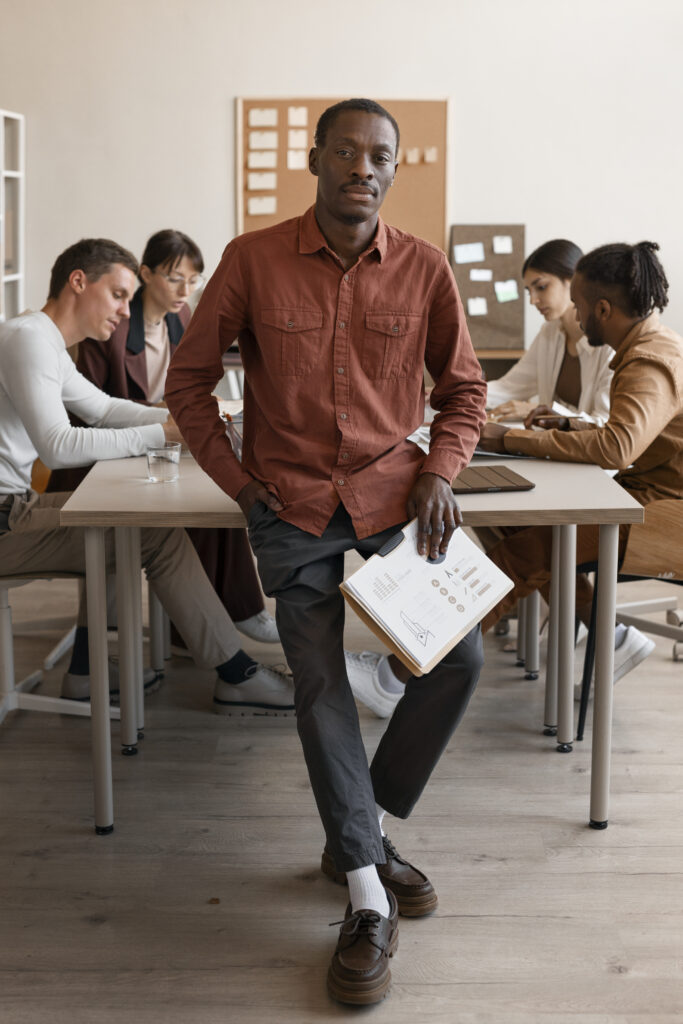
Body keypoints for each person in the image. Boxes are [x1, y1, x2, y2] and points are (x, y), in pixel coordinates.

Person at [166, 98, 487, 1006]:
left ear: (393, 169)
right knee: (319, 680)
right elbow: (187, 381)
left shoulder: (423, 268)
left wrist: (441, 468)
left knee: (457, 660)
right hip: (290, 502)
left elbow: (465, 392)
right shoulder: (252, 259)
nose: (362, 166)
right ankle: (363, 894)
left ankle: (364, 827)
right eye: (345, 151)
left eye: (379, 154)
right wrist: (235, 480)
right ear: (316, 160)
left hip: (396, 499)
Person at [0, 238, 294, 713]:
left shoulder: (42, 339)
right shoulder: (29, 338)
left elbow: (102, 409)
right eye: (118, 294)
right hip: (5, 521)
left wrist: (180, 423)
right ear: (78, 281)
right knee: (150, 536)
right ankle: (236, 674)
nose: (124, 309)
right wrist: (164, 438)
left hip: (14, 510)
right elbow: (57, 447)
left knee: (126, 524)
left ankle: (88, 670)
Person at [48, 229, 278, 647]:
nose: (184, 291)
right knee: (197, 500)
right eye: (175, 279)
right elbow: (97, 412)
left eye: (192, 281)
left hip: (155, 441)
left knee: (218, 492)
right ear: (146, 274)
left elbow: (187, 386)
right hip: (103, 459)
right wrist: (168, 422)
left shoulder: (181, 317)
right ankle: (201, 626)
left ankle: (230, 614)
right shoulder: (112, 325)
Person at [478, 241, 683, 682]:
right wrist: (567, 428)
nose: (575, 314)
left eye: (579, 305)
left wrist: (513, 440)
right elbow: (625, 437)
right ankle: (611, 636)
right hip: (646, 496)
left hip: (667, 516)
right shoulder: (648, 345)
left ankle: (403, 673)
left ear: (603, 309)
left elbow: (617, 448)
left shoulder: (649, 362)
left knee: (524, 551)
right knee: (520, 531)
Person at [486, 238, 614, 426]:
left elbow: (604, 424)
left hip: (584, 451)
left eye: (542, 287)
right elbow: (509, 387)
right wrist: (454, 393)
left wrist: (540, 411)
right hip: (552, 447)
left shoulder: (609, 343)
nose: (533, 300)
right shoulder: (550, 332)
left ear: (573, 280)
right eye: (529, 291)